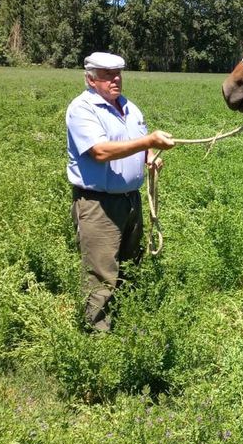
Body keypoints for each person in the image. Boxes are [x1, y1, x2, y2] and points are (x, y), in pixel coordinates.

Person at [66, 52, 175, 331]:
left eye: (118, 73)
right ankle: (98, 337)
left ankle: (125, 323)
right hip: (98, 204)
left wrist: (149, 155)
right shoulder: (82, 109)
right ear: (90, 79)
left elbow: (138, 142)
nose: (115, 79)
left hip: (130, 201)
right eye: (106, 75)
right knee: (102, 271)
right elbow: (100, 151)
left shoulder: (130, 108)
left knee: (129, 265)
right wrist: (147, 142)